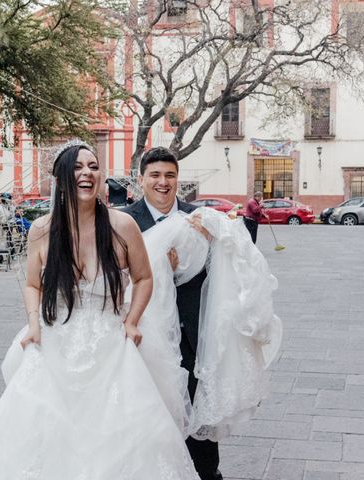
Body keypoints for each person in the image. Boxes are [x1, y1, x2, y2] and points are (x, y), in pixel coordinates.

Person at [0, 142, 199, 480]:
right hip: (55, 341)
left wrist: (132, 320)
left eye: (93, 166)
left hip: (112, 344)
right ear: (61, 178)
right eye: (77, 167)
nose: (86, 173)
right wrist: (33, 324)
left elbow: (145, 278)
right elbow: (33, 285)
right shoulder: (43, 229)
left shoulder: (122, 226)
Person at [123, 147, 223, 480]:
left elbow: (222, 279)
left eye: (170, 175)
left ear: (177, 178)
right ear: (141, 180)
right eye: (155, 175)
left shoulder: (201, 219)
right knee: (147, 418)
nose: (163, 182)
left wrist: (210, 252)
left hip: (194, 338)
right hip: (146, 336)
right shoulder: (122, 220)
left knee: (198, 423)